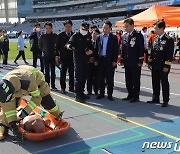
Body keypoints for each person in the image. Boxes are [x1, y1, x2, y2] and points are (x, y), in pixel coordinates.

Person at [0, 65, 61, 142]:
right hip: (18, 85)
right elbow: (8, 108)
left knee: (48, 103)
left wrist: (25, 112)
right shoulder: (4, 88)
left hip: (37, 81)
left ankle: (57, 115)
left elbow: (37, 98)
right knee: (9, 105)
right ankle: (3, 125)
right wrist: (13, 123)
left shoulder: (29, 82)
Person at [147, 21, 174, 107]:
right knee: (155, 81)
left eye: (155, 28)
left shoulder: (168, 39)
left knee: (164, 82)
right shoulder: (155, 38)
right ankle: (156, 97)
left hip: (163, 65)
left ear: (161, 28)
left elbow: (169, 54)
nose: (154, 30)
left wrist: (167, 65)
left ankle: (165, 100)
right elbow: (152, 52)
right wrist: (150, 62)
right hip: (155, 64)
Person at [66, 22, 94, 103]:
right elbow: (69, 43)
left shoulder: (88, 36)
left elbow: (91, 46)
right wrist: (69, 46)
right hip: (78, 60)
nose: (85, 31)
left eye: (86, 29)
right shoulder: (75, 36)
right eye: (83, 29)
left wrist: (91, 51)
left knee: (84, 77)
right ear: (80, 28)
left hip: (86, 59)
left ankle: (81, 92)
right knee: (78, 78)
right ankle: (77, 94)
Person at [121, 18, 144, 102]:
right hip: (127, 62)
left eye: (127, 26)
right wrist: (122, 59)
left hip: (135, 62)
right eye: (125, 27)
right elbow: (123, 48)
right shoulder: (124, 35)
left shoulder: (138, 35)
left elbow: (141, 49)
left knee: (135, 79)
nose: (125, 28)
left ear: (132, 25)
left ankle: (136, 96)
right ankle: (130, 94)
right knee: (128, 80)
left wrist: (140, 61)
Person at [96, 21, 119, 101]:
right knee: (100, 78)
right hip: (101, 60)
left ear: (110, 29)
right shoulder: (99, 37)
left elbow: (116, 50)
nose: (104, 29)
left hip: (109, 60)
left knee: (110, 78)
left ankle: (110, 94)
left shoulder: (114, 37)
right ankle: (101, 93)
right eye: (103, 28)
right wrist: (96, 59)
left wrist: (114, 61)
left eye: (106, 28)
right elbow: (96, 49)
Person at [56, 20, 74, 94]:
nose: (68, 28)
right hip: (63, 58)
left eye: (69, 26)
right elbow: (56, 47)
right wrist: (57, 55)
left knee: (72, 73)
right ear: (64, 27)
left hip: (72, 58)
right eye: (66, 26)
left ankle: (71, 87)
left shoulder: (74, 35)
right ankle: (63, 88)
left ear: (71, 27)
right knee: (63, 73)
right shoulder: (60, 35)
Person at [39, 22, 58, 90]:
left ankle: (53, 85)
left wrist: (56, 54)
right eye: (46, 28)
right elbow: (40, 46)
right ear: (45, 29)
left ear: (51, 28)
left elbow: (57, 46)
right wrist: (44, 51)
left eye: (49, 28)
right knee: (46, 72)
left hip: (53, 56)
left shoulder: (55, 36)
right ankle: (47, 85)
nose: (48, 29)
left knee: (53, 71)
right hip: (46, 56)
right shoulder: (43, 36)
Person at [87, 28, 100, 95]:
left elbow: (99, 52)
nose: (95, 35)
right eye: (93, 33)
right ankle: (89, 90)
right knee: (89, 77)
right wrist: (89, 58)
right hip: (89, 62)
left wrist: (96, 60)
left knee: (96, 77)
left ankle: (96, 90)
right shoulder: (88, 42)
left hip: (96, 62)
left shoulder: (99, 43)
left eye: (96, 34)